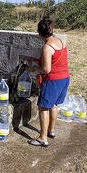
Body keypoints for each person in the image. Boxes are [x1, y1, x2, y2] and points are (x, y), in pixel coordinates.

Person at [28, 19, 70, 147]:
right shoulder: (60, 41)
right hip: (64, 78)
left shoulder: (47, 47)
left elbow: (46, 69)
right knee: (54, 105)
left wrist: (34, 69)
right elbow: (56, 59)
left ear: (39, 33)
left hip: (53, 81)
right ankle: (51, 130)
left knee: (43, 107)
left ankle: (42, 138)